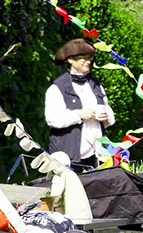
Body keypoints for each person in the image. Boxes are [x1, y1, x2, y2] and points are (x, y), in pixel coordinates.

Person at [45, 38, 115, 169]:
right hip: (68, 155)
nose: (88, 62)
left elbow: (108, 110)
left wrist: (107, 117)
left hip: (96, 155)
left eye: (89, 58)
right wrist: (79, 114)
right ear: (70, 60)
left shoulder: (96, 84)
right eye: (83, 58)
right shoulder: (57, 88)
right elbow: (52, 119)